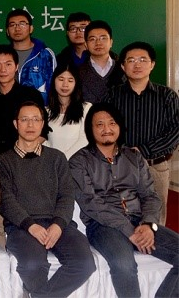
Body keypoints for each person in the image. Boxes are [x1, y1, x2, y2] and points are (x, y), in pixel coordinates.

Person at [70, 103, 178, 297]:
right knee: (123, 263)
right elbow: (91, 204)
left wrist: (148, 224)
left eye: (112, 123)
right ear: (90, 130)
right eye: (100, 124)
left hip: (140, 221)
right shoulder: (79, 161)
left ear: (119, 127)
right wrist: (129, 230)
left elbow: (150, 196)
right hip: (103, 226)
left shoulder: (134, 157)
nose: (107, 129)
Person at [0, 101, 95, 297]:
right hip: (22, 227)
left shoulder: (57, 158)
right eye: (24, 120)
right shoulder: (3, 161)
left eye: (36, 120)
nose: (30, 125)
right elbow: (5, 200)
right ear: (16, 124)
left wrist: (58, 225)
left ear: (43, 124)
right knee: (33, 264)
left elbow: (67, 195)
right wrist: (30, 225)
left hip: (58, 224)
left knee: (84, 263)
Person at [106, 41, 179, 225]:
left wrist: (144, 150)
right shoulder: (112, 96)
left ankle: (155, 252)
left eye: (142, 59)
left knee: (156, 219)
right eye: (131, 60)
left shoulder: (167, 96)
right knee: (122, 214)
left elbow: (175, 131)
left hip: (156, 166)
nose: (137, 64)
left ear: (152, 64)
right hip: (119, 166)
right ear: (123, 66)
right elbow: (103, 128)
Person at [0, 44, 46, 158]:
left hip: (26, 159)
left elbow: (43, 131)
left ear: (16, 66)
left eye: (8, 64)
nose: (3, 70)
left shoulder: (31, 95)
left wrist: (23, 154)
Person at [5, 8, 56, 104]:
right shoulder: (3, 56)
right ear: (7, 31)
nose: (17, 28)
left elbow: (54, 87)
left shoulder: (45, 54)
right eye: (12, 25)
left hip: (39, 112)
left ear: (31, 28)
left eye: (22, 24)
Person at [44, 62, 91, 159]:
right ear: (54, 81)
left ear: (76, 83)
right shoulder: (45, 111)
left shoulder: (86, 108)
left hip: (77, 164)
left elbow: (85, 139)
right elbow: (44, 140)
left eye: (70, 80)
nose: (65, 85)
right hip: (52, 164)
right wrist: (54, 160)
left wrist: (62, 159)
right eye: (61, 79)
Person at [79, 20, 124, 103]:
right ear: (86, 45)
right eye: (92, 39)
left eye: (103, 38)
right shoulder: (77, 73)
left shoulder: (124, 70)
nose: (98, 43)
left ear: (111, 42)